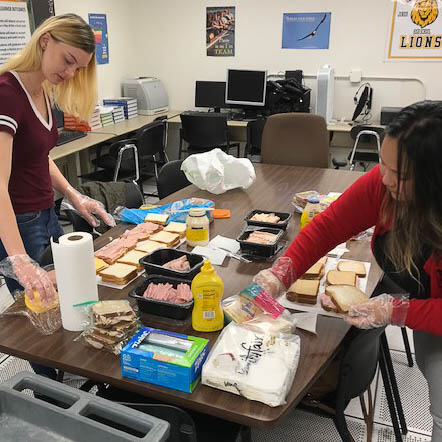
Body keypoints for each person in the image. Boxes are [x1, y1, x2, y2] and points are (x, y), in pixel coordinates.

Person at [252, 101, 442, 440]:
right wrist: (282, 271)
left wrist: (397, 310)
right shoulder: (384, 184)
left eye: (397, 173)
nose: (383, 178)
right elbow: (327, 227)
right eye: (381, 162)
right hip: (426, 295)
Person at [0, 14, 114, 378]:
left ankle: (66, 372)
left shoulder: (43, 92)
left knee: (61, 298)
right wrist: (18, 257)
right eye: (68, 61)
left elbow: (39, 157)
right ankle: (53, 393)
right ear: (45, 40)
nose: (69, 73)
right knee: (38, 314)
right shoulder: (7, 94)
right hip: (17, 222)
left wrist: (73, 195)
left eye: (77, 68)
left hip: (44, 213)